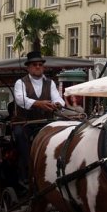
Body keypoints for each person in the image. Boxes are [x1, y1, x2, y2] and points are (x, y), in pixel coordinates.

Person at [12, 51, 65, 184]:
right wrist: (38, 104)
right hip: (25, 123)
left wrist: (58, 104)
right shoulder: (21, 82)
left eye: (40, 64)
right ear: (28, 67)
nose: (38, 67)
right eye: (35, 64)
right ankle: (27, 167)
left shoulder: (50, 83)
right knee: (19, 135)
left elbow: (58, 98)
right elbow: (20, 99)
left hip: (45, 123)